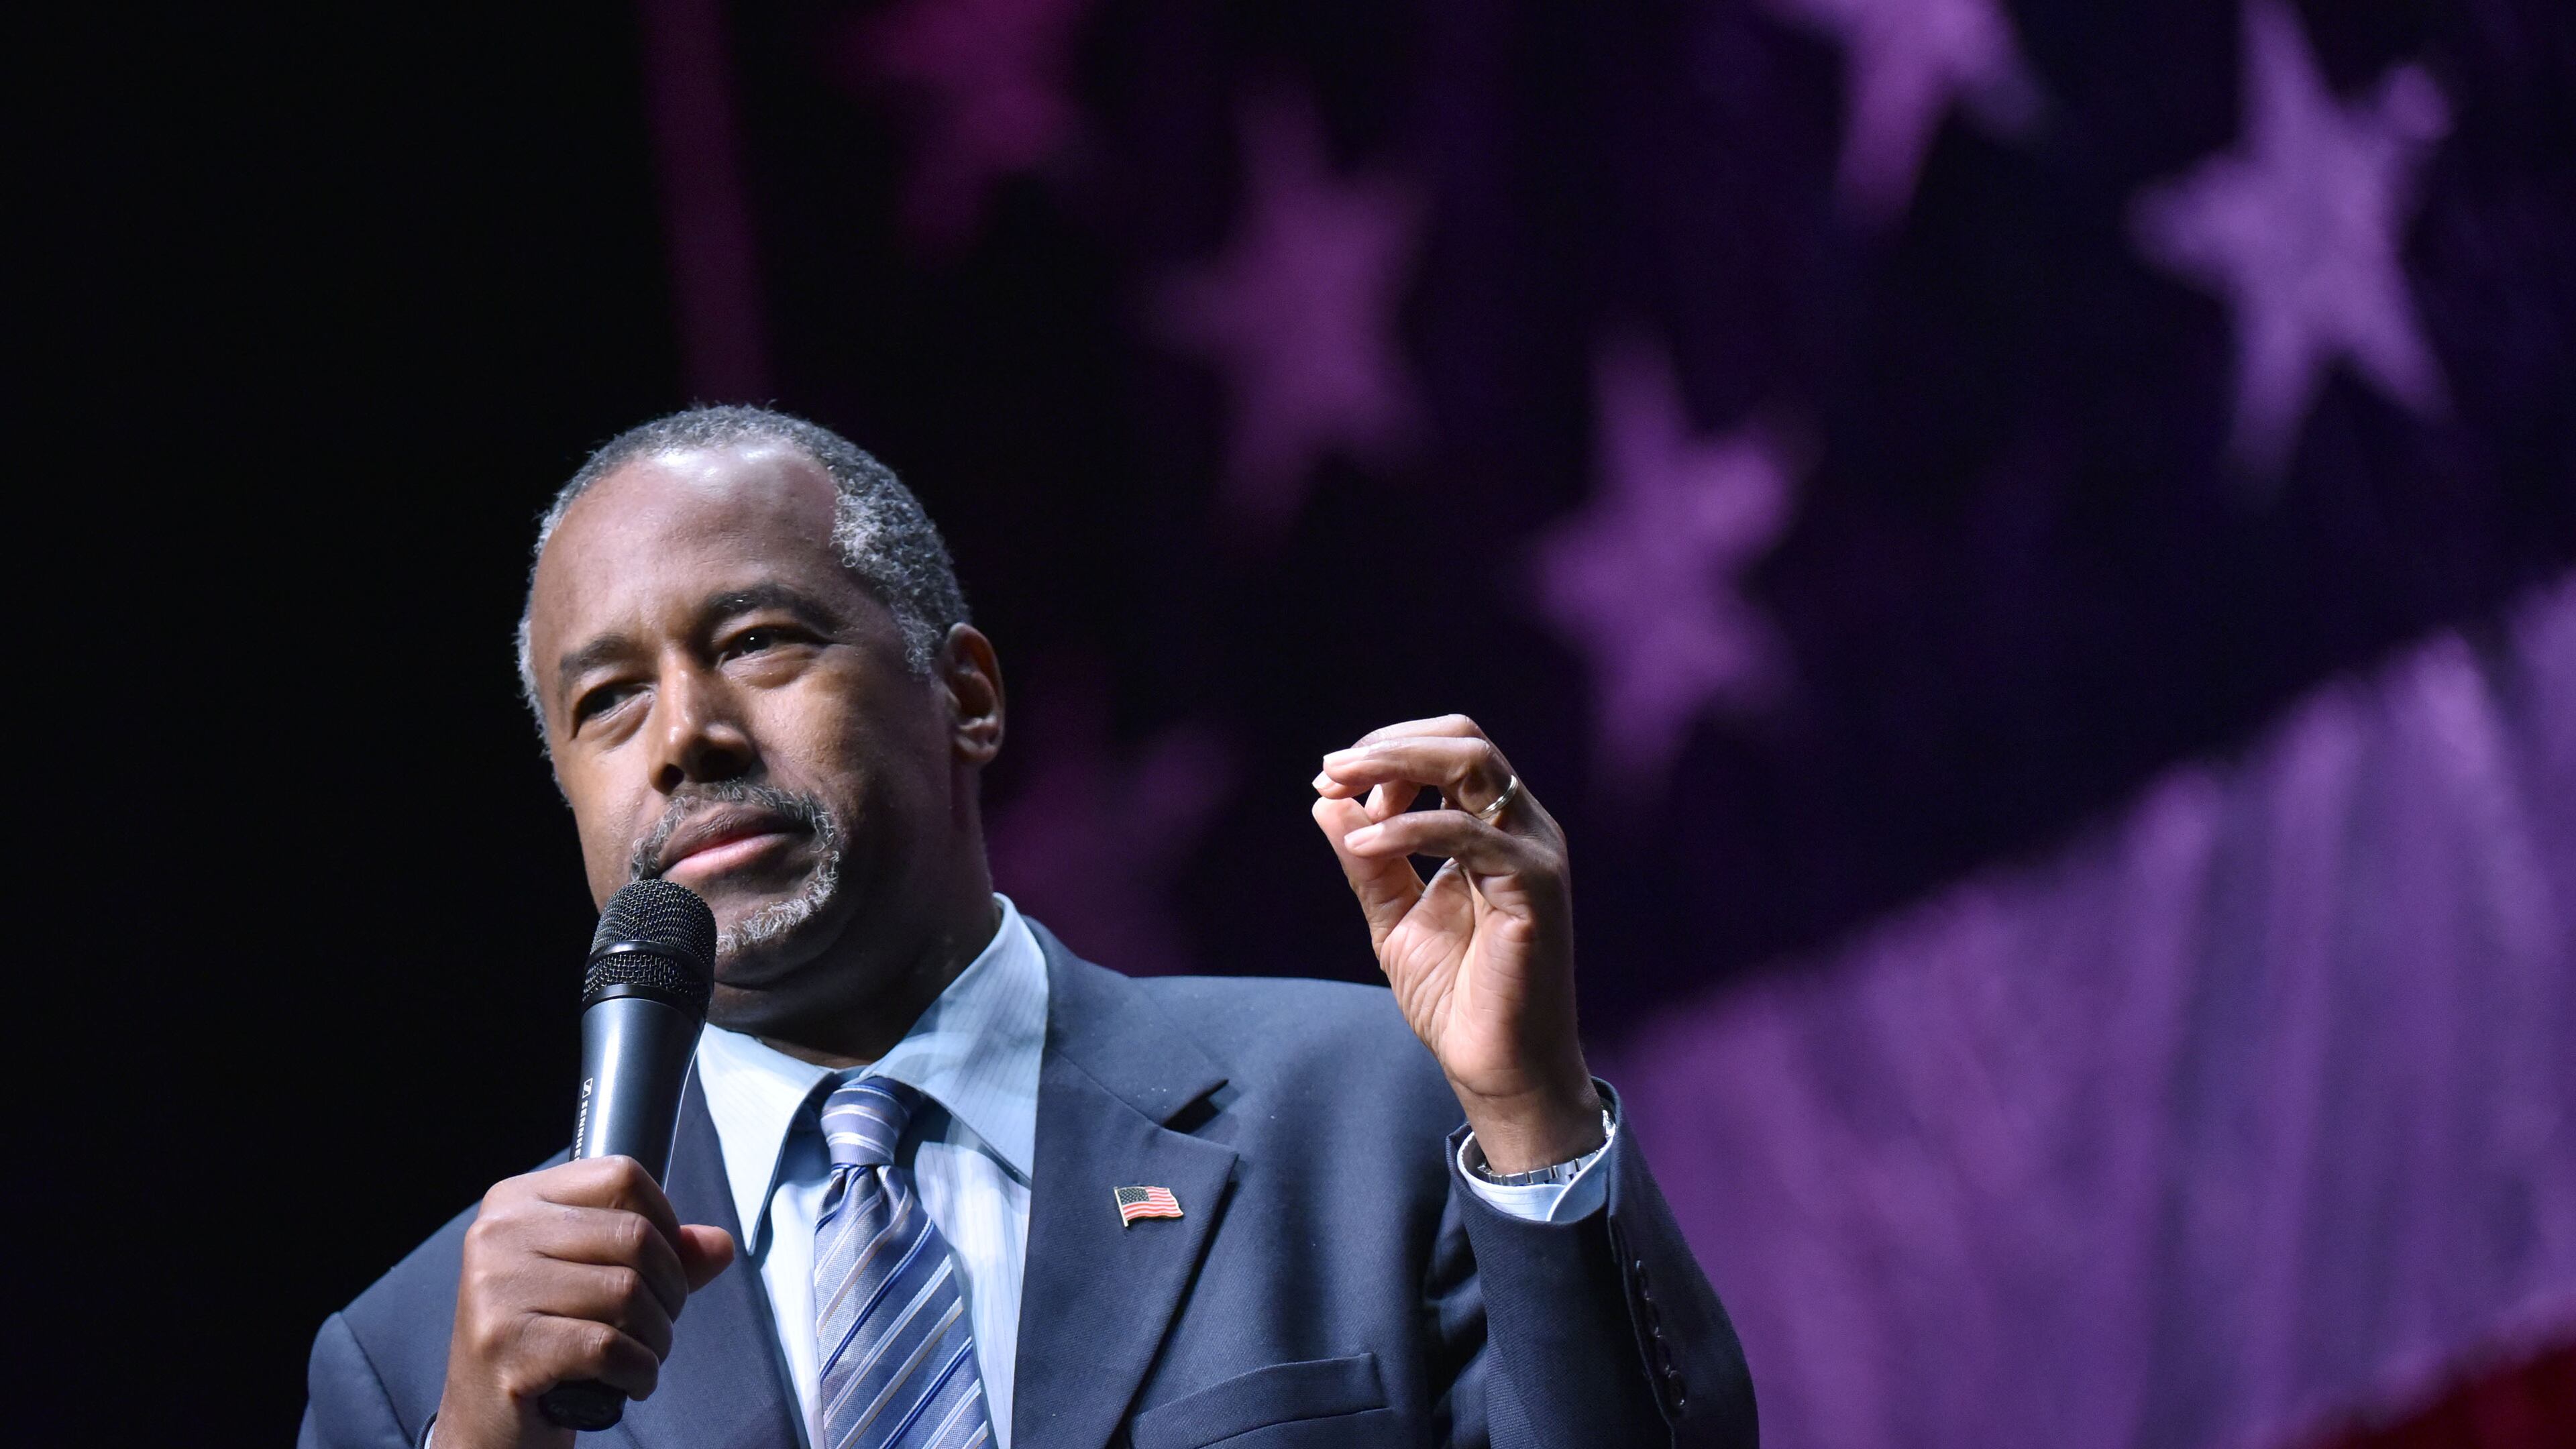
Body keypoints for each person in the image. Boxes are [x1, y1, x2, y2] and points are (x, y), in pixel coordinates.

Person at [299, 406, 1754, 1449]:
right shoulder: (420, 1357)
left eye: (755, 641)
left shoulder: (1372, 1112)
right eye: (609, 701)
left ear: (969, 696)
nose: (686, 735)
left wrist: (1533, 1116)